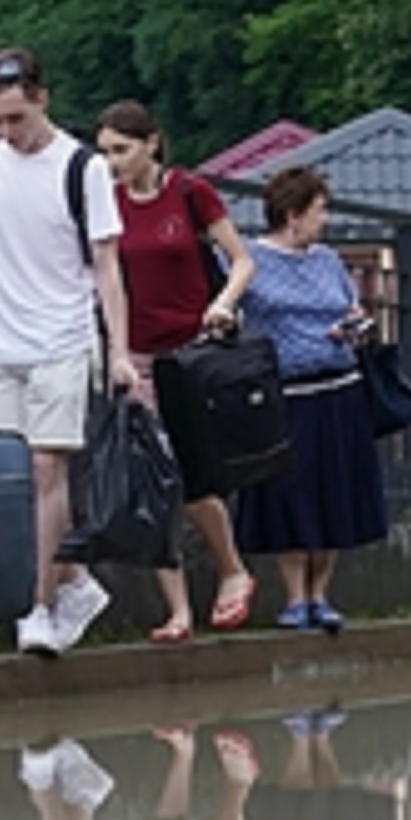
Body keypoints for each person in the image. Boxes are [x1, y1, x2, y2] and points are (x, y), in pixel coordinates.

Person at [0, 49, 139, 656]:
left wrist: (120, 350)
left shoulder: (82, 167)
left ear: (41, 99)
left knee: (45, 470)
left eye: (16, 118)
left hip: (60, 336)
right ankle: (74, 582)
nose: (7, 132)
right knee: (4, 479)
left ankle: (36, 604)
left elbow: (107, 266)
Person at [95, 99, 260, 644]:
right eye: (105, 152)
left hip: (190, 352)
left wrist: (224, 304)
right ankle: (178, 610)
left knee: (192, 477)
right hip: (135, 352)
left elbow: (242, 259)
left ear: (152, 144)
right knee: (153, 480)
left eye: (121, 150)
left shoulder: (189, 193)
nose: (113, 161)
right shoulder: (108, 204)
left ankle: (232, 568)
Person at [230, 168, 388, 633]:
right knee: (289, 493)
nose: (326, 219)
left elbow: (351, 308)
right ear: (293, 215)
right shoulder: (252, 260)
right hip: (287, 394)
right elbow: (233, 307)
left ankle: (321, 594)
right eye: (320, 210)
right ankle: (295, 595)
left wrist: (355, 327)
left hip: (339, 386)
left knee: (333, 492)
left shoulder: (328, 261)